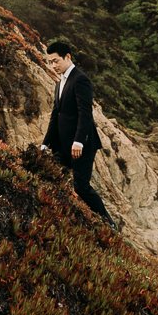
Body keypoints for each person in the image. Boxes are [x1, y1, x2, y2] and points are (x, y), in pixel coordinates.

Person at [41, 39, 113, 223]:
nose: (53, 65)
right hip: (62, 144)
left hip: (82, 144)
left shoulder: (80, 79)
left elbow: (85, 113)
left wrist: (79, 141)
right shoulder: (60, 83)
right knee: (49, 173)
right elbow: (55, 115)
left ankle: (107, 221)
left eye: (55, 61)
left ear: (68, 57)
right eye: (50, 62)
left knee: (81, 187)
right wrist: (45, 143)